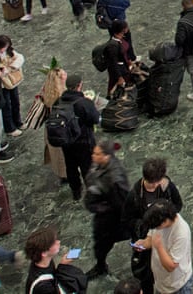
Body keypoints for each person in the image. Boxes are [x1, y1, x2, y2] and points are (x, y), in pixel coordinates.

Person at [123, 159, 184, 294]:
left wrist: (165, 218)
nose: (154, 186)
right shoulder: (134, 196)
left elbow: (178, 204)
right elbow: (127, 219)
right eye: (151, 183)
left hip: (164, 235)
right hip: (144, 238)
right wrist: (144, 226)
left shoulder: (166, 186)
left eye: (157, 182)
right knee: (145, 274)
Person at [84, 139, 130, 279]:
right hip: (103, 215)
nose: (93, 156)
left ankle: (101, 266)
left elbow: (122, 202)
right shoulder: (99, 165)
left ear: (107, 156)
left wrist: (102, 208)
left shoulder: (115, 178)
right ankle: (100, 265)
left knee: (103, 243)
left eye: (97, 154)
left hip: (110, 219)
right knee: (100, 244)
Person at [55, 72, 100, 200]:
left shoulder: (58, 102)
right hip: (84, 141)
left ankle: (76, 191)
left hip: (66, 141)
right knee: (87, 168)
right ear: (79, 86)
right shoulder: (84, 102)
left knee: (71, 167)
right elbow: (95, 119)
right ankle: (92, 193)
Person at [135, 200, 192, 294]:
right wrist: (143, 244)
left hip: (176, 286)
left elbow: (171, 266)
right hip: (160, 281)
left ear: (165, 221)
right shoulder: (157, 219)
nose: (155, 229)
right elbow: (151, 239)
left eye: (157, 227)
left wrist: (159, 246)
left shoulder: (182, 233)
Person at [24, 226, 84, 294]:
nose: (59, 242)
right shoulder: (43, 287)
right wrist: (63, 268)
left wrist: (62, 264)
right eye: (54, 243)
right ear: (44, 253)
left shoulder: (45, 261)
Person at [0, 35, 25, 138]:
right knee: (6, 107)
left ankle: (18, 122)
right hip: (3, 85)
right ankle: (9, 128)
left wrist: (11, 67)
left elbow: (20, 58)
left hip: (12, 81)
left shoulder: (10, 52)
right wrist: (5, 70)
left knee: (15, 102)